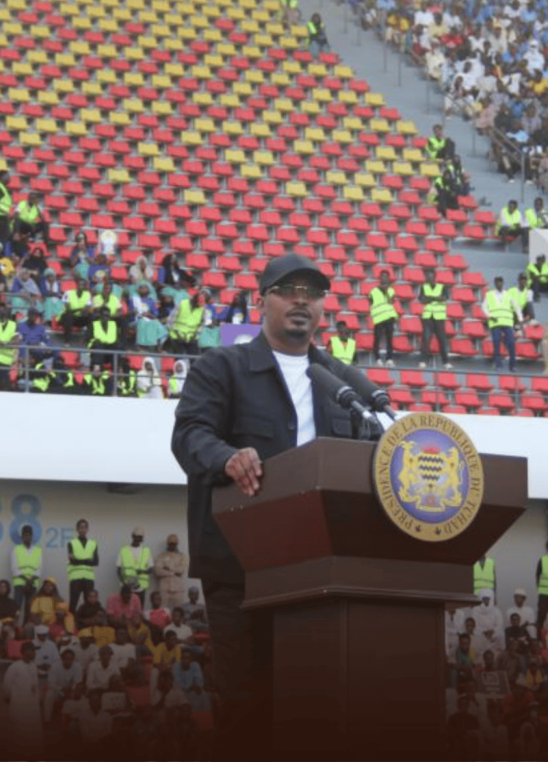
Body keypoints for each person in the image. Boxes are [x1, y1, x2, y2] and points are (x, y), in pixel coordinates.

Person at [171, 252, 379, 759]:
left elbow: (370, 448)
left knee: (311, 709)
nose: (302, 301)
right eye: (289, 290)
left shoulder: (341, 380)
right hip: (240, 567)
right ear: (262, 300)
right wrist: (225, 457)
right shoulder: (224, 367)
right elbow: (190, 434)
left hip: (318, 570)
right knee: (246, 707)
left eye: (312, 293)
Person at [2, 640, 43, 758]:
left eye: (34, 651)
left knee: (33, 734)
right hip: (19, 704)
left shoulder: (33, 666)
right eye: (32, 650)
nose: (34, 653)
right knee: (19, 733)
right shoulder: (14, 667)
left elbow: (36, 684)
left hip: (33, 705)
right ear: (25, 652)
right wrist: (10, 698)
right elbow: (7, 685)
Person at [418, 267, 452, 368]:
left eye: (430, 276)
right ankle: (423, 361)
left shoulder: (442, 287)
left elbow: (445, 298)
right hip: (428, 317)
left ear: (434, 276)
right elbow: (422, 300)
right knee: (426, 339)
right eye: (427, 276)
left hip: (439, 317)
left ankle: (445, 362)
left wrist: (431, 298)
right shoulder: (423, 287)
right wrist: (436, 298)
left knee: (442, 340)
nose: (428, 278)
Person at [483, 276, 518, 372]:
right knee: (496, 344)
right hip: (496, 322)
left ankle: (513, 365)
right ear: (495, 283)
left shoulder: (508, 294)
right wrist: (489, 316)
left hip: (507, 322)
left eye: (501, 282)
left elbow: (516, 307)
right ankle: (498, 365)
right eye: (497, 282)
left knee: (511, 344)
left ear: (503, 283)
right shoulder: (489, 294)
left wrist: (520, 319)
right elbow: (484, 307)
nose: (499, 284)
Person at [11, 524, 43, 624]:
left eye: (29, 535)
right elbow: (14, 568)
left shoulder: (38, 550)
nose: (27, 537)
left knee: (29, 609)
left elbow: (39, 569)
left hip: (33, 584)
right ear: (22, 536)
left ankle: (25, 630)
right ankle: (15, 629)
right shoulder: (16, 549)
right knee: (17, 608)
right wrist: (27, 580)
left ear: (32, 536)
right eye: (25, 535)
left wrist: (30, 581)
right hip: (20, 583)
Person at [368, 269, 400, 367]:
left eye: (386, 277)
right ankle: (377, 358)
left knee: (389, 338)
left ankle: (389, 358)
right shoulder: (373, 291)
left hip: (389, 317)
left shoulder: (391, 290)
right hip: (378, 318)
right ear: (380, 278)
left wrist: (387, 291)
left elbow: (391, 301)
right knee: (377, 338)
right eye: (383, 277)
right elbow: (370, 302)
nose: (384, 278)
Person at [66, 518, 98, 614]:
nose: (83, 529)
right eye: (80, 527)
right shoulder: (71, 543)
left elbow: (96, 562)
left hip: (89, 578)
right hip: (75, 578)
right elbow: (72, 561)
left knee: (89, 604)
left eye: (85, 527)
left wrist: (79, 560)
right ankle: (71, 627)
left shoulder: (93, 544)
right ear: (77, 529)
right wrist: (88, 560)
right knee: (73, 604)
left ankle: (87, 626)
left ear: (87, 529)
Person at [153, 533, 188, 614]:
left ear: (177, 544)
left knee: (178, 611)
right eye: (170, 544)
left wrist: (167, 568)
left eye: (174, 544)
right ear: (167, 544)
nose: (172, 545)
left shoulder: (182, 556)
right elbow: (158, 571)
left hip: (178, 588)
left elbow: (181, 570)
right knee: (162, 611)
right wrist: (173, 572)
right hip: (164, 588)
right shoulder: (161, 556)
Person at [118, 527, 152, 606]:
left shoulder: (146, 551)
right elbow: (118, 569)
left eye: (139, 537)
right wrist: (123, 583)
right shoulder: (124, 550)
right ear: (132, 536)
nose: (137, 539)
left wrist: (142, 572)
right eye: (136, 536)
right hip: (127, 587)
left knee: (139, 609)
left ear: (142, 539)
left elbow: (151, 569)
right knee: (126, 608)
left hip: (141, 587)